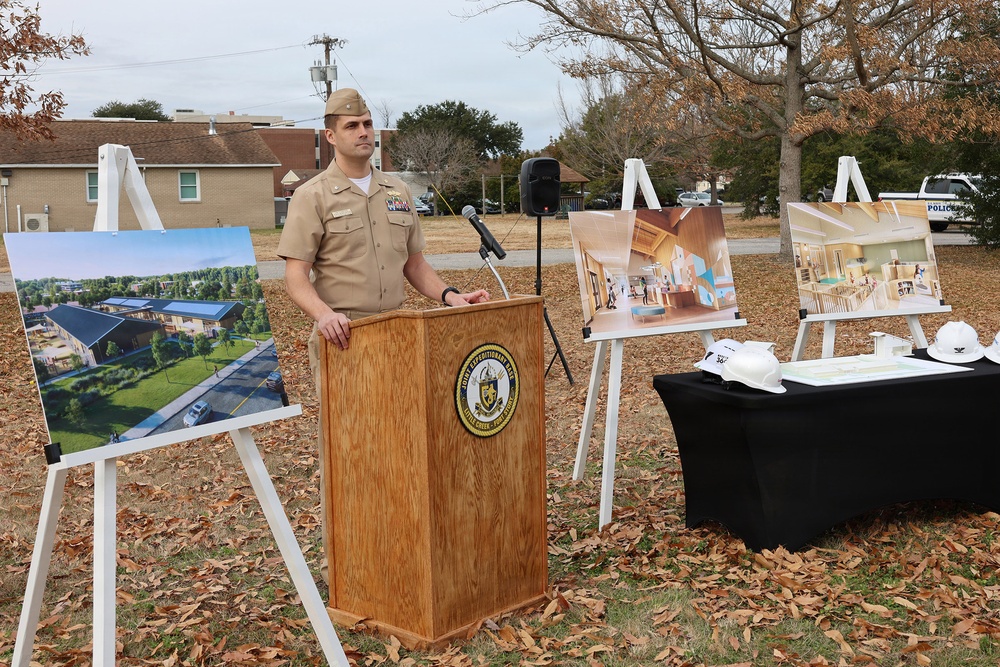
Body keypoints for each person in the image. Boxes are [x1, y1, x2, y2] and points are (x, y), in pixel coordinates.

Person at [276, 88, 490, 579]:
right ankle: (347, 564)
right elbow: (294, 276)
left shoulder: (398, 192)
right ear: (330, 135)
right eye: (352, 126)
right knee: (350, 454)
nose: (364, 132)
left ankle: (398, 552)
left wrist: (450, 296)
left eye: (368, 124)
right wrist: (323, 315)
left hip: (399, 336)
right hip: (345, 339)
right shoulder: (312, 196)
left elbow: (415, 264)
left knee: (401, 447)